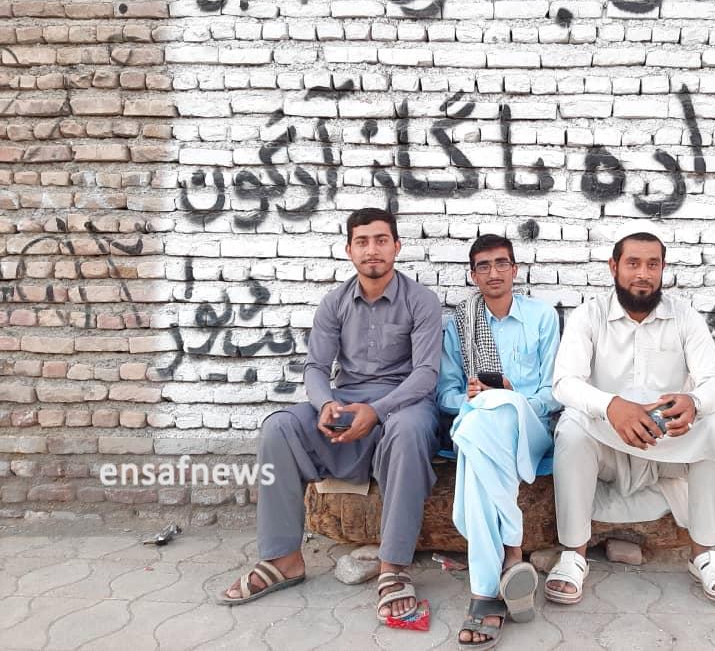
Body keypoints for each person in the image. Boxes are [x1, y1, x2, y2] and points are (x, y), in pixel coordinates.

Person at [220, 207, 443, 622]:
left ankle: (393, 565)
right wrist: (325, 404)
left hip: (404, 406)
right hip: (347, 401)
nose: (372, 250)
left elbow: (426, 374)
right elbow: (316, 368)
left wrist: (376, 411)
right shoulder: (334, 303)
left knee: (409, 430)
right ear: (348, 250)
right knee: (279, 427)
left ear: (397, 247)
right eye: (362, 242)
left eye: (381, 240)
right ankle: (284, 559)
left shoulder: (422, 301)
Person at [545, 219, 715, 605]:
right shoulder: (589, 315)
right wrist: (611, 406)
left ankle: (705, 555)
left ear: (662, 269)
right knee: (571, 428)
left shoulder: (684, 317)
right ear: (614, 267)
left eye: (653, 264)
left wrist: (694, 402)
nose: (643, 274)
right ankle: (573, 555)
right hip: (609, 442)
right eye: (633, 263)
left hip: (668, 444)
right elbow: (565, 382)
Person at [437, 234, 561, 649]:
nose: (494, 272)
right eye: (484, 266)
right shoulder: (459, 324)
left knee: (496, 411)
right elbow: (445, 395)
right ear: (473, 275)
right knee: (481, 421)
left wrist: (511, 396)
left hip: (530, 428)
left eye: (501, 263)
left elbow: (554, 393)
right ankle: (503, 566)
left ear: (515, 269)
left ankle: (492, 584)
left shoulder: (542, 317)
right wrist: (471, 397)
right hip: (480, 427)